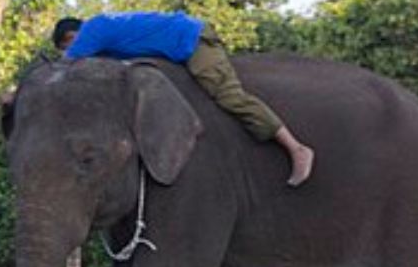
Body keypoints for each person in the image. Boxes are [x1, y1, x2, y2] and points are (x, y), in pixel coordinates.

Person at [63, 12, 315, 186]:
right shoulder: (108, 30)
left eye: (67, 45)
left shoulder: (91, 30)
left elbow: (65, 68)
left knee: (229, 97)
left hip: (193, 41)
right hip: (182, 43)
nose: (72, 48)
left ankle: (296, 148)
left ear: (72, 36)